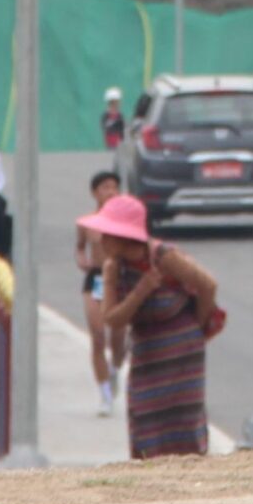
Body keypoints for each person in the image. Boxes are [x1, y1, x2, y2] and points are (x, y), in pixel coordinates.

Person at [85, 194, 223, 459]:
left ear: (124, 236)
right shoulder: (112, 268)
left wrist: (198, 326)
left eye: (108, 234)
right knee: (143, 415)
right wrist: (141, 291)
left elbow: (208, 285)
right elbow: (112, 318)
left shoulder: (163, 256)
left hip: (183, 349)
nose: (102, 241)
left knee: (183, 416)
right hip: (146, 348)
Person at [79, 169, 133, 415]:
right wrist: (82, 260)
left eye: (114, 187)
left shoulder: (125, 221)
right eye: (105, 188)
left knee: (118, 338)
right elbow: (80, 248)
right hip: (96, 279)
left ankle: (114, 369)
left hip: (118, 279)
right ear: (95, 193)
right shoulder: (86, 222)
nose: (110, 192)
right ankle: (104, 394)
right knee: (98, 335)